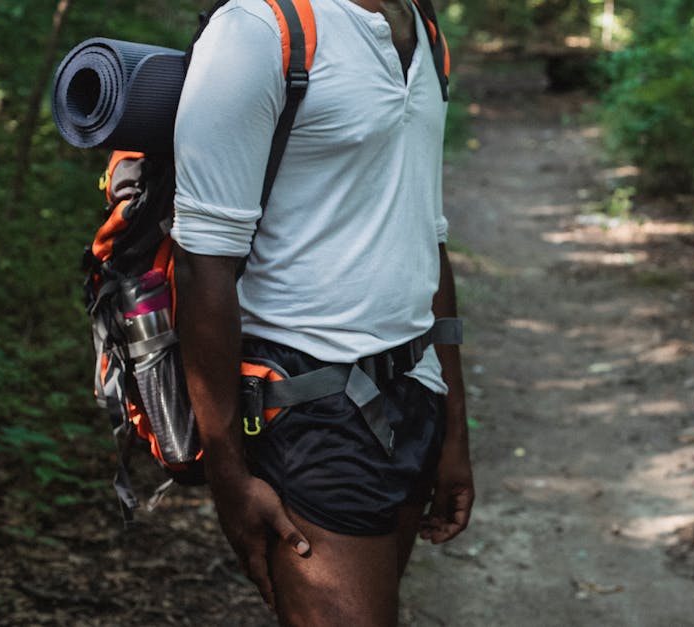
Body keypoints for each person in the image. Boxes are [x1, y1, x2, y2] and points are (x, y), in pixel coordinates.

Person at [170, 0, 474, 624]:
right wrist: (227, 475)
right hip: (304, 401)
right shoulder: (258, 30)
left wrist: (453, 428)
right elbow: (204, 264)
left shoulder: (423, 28)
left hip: (412, 388)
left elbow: (428, 236)